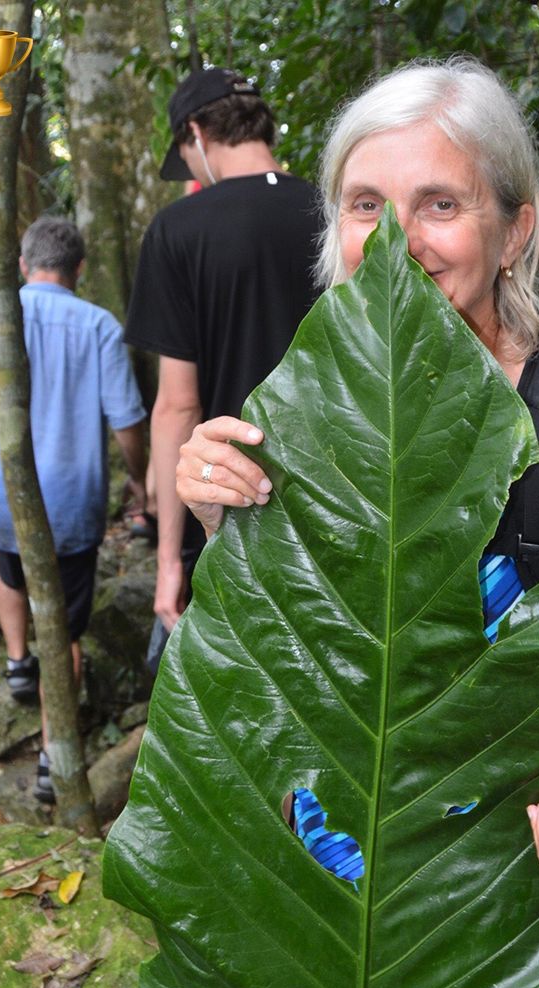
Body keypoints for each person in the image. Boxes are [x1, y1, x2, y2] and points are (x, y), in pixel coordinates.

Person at [171, 58, 539, 911]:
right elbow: (287, 669)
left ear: (514, 231)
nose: (393, 241)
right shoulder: (305, 416)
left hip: (503, 921)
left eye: (440, 205)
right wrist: (215, 520)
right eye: (365, 204)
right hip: (324, 909)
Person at [0, 215, 147, 803]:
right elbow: (126, 420)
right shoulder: (97, 324)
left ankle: (15, 660)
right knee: (66, 624)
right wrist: (137, 479)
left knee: (9, 561)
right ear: (79, 270)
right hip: (70, 499)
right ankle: (56, 761)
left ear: (24, 265)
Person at [123, 67, 321, 672]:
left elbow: (177, 405)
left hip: (229, 501)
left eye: (186, 156)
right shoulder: (338, 209)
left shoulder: (178, 230)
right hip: (340, 494)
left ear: (196, 134)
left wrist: (169, 563)